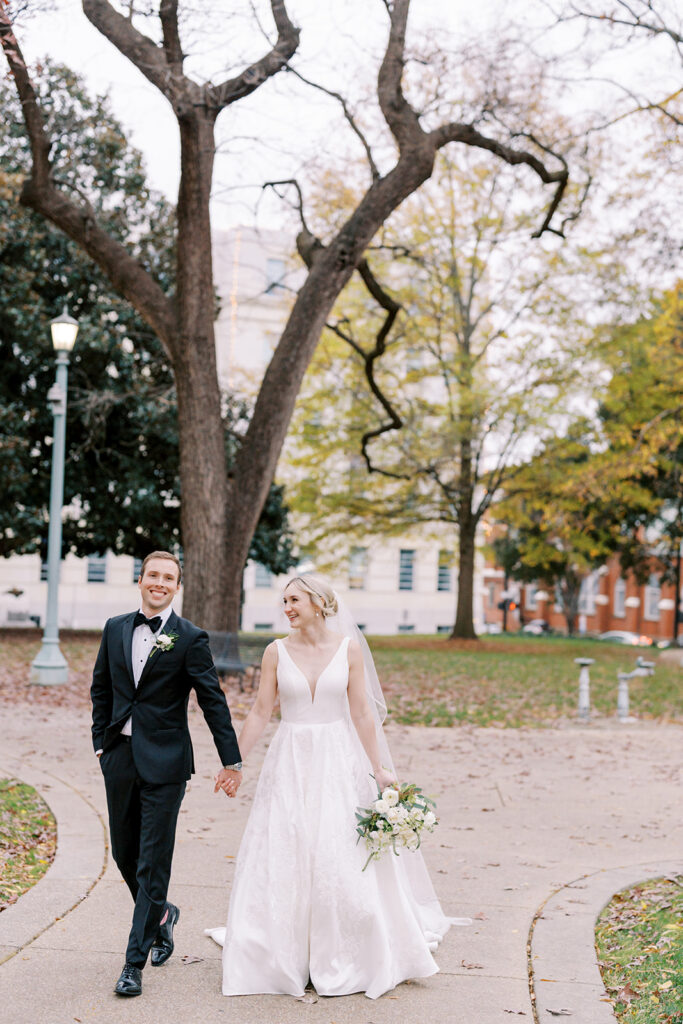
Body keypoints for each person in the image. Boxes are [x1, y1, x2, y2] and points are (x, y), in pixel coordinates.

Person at [206, 573, 469, 999]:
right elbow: (259, 712)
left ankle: (343, 947)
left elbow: (363, 713)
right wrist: (233, 763)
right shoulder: (276, 652)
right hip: (290, 760)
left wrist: (380, 769)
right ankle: (280, 949)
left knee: (336, 851)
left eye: (294, 599)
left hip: (337, 761)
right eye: (284, 601)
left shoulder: (348, 650)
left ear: (318, 602)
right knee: (286, 845)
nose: (286, 607)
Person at [91, 550, 243, 998]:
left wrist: (230, 760)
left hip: (166, 764)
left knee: (152, 862)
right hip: (119, 757)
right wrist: (101, 741)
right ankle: (162, 915)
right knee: (124, 854)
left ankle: (133, 963)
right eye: (152, 575)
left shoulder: (190, 637)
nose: (159, 582)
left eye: (168, 577)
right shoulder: (115, 627)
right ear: (141, 580)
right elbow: (101, 686)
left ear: (177, 587)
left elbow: (212, 700)